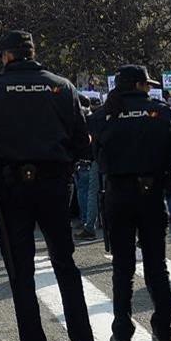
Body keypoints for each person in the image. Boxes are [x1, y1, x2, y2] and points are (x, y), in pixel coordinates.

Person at [0, 30, 99, 341]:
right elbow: (82, 143)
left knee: (21, 274)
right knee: (65, 266)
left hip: (12, 189)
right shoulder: (62, 86)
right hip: (55, 185)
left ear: (7, 57)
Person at [88, 66, 171, 341]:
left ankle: (122, 334)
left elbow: (91, 151)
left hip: (119, 194)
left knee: (122, 268)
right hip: (152, 194)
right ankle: (163, 333)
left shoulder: (104, 115)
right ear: (140, 85)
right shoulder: (160, 112)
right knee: (157, 266)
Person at [73, 94, 100, 242]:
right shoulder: (97, 118)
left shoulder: (81, 119)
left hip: (89, 160)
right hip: (99, 158)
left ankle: (89, 225)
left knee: (89, 193)